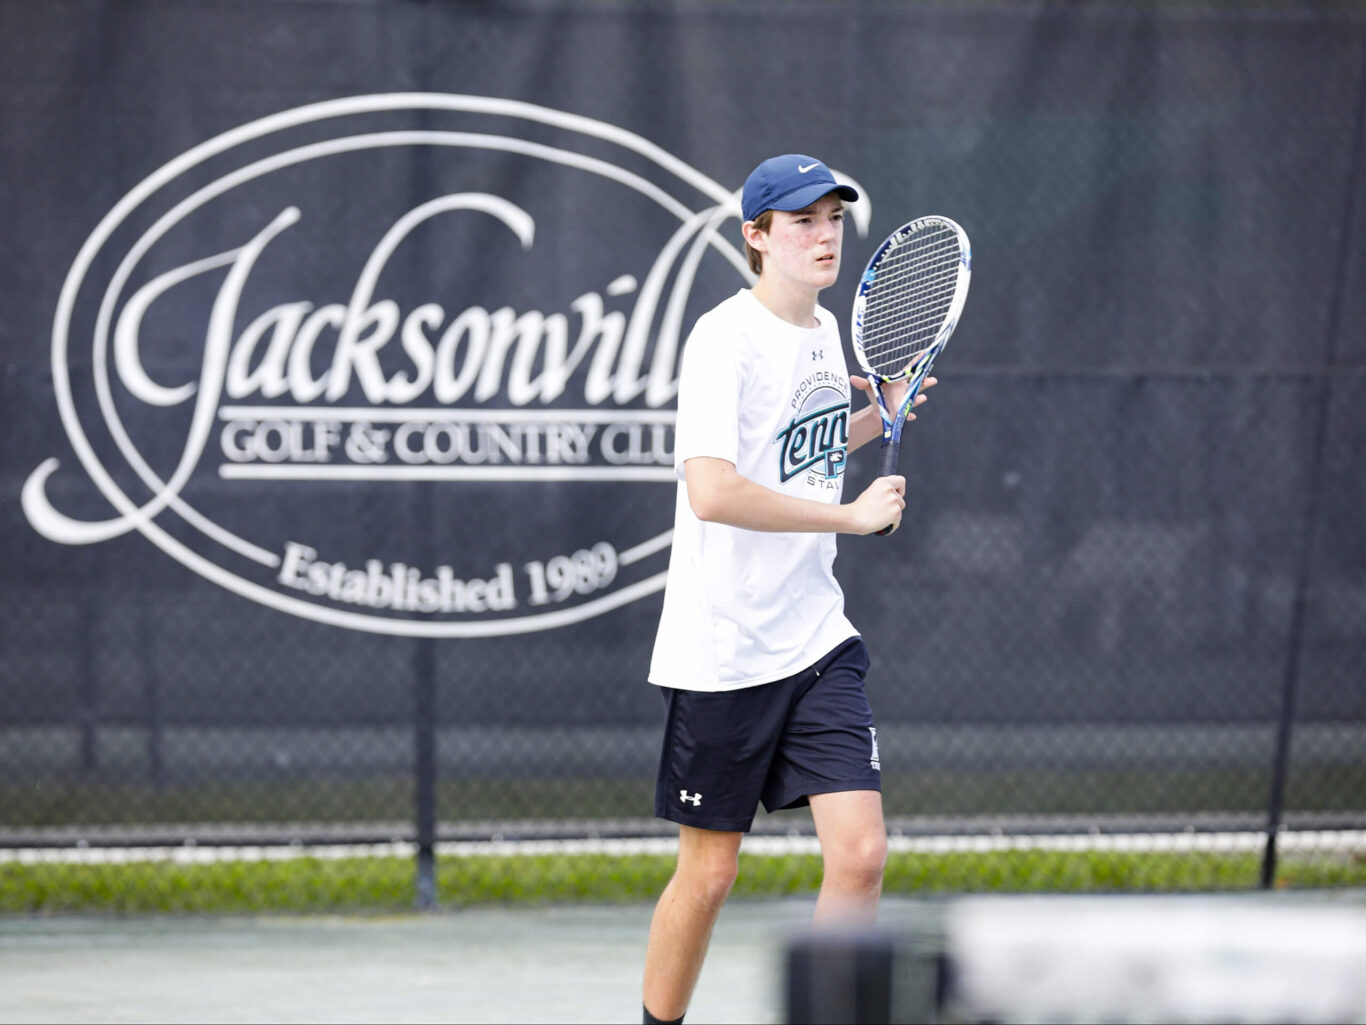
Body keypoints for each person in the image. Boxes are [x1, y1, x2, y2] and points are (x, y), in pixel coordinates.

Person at [640, 154, 936, 1025]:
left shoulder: (825, 331)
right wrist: (851, 519)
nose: (824, 236)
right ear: (756, 237)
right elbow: (715, 490)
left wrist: (875, 417)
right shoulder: (720, 339)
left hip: (814, 641)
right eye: (802, 221)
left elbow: (794, 457)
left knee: (861, 853)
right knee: (710, 873)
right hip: (722, 652)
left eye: (835, 219)